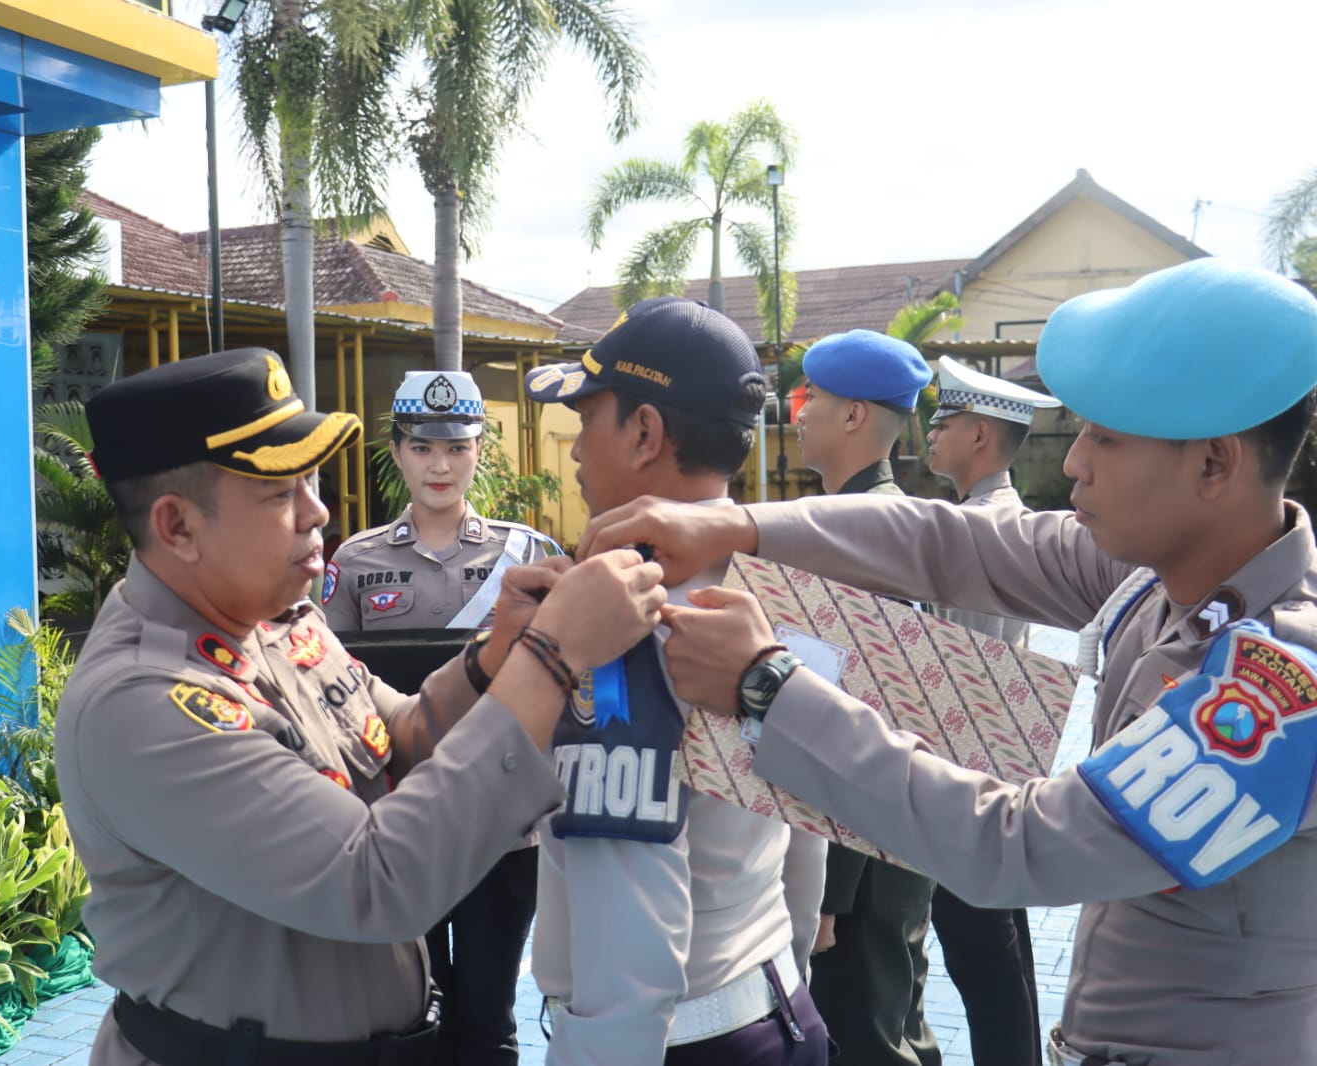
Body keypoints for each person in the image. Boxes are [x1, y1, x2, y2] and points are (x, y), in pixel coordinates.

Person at [582, 258, 1317, 1065]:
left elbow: (1023, 845)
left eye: (1104, 438)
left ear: (1215, 464)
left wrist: (767, 686)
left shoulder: (1278, 685)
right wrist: (740, 529)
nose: (1074, 464)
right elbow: (950, 539)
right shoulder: (1166, 573)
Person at [56, 346, 667, 1066]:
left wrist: (496, 654)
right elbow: (377, 880)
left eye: (310, 479)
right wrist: (550, 658)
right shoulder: (148, 702)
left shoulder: (277, 620)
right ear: (178, 526)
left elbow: (401, 735)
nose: (318, 510)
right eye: (281, 492)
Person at [524, 296, 831, 1065]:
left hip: (672, 1043)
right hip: (779, 1005)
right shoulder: (785, 592)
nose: (571, 451)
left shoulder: (617, 614)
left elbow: (631, 933)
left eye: (584, 421)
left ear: (645, 433)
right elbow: (807, 838)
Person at [324, 369, 552, 1066]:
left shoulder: (526, 554)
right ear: (397, 453)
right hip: (399, 822)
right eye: (423, 448)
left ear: (481, 450)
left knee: (487, 1021)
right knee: (407, 1017)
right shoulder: (357, 562)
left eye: (457, 448)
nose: (441, 465)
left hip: (500, 827)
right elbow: (332, 684)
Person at [791, 329, 941, 1066]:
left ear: (853, 416)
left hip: (862, 862)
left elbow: (868, 713)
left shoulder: (860, 535)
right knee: (895, 1025)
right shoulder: (884, 519)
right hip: (891, 845)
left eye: (812, 397)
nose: (799, 411)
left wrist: (828, 893)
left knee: (872, 1041)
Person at [922, 355, 1062, 1066]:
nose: (930, 434)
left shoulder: (974, 532)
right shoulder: (1014, 522)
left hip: (966, 783)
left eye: (942, 421)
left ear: (979, 435)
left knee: (983, 959)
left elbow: (962, 674)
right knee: (1003, 954)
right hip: (1006, 774)